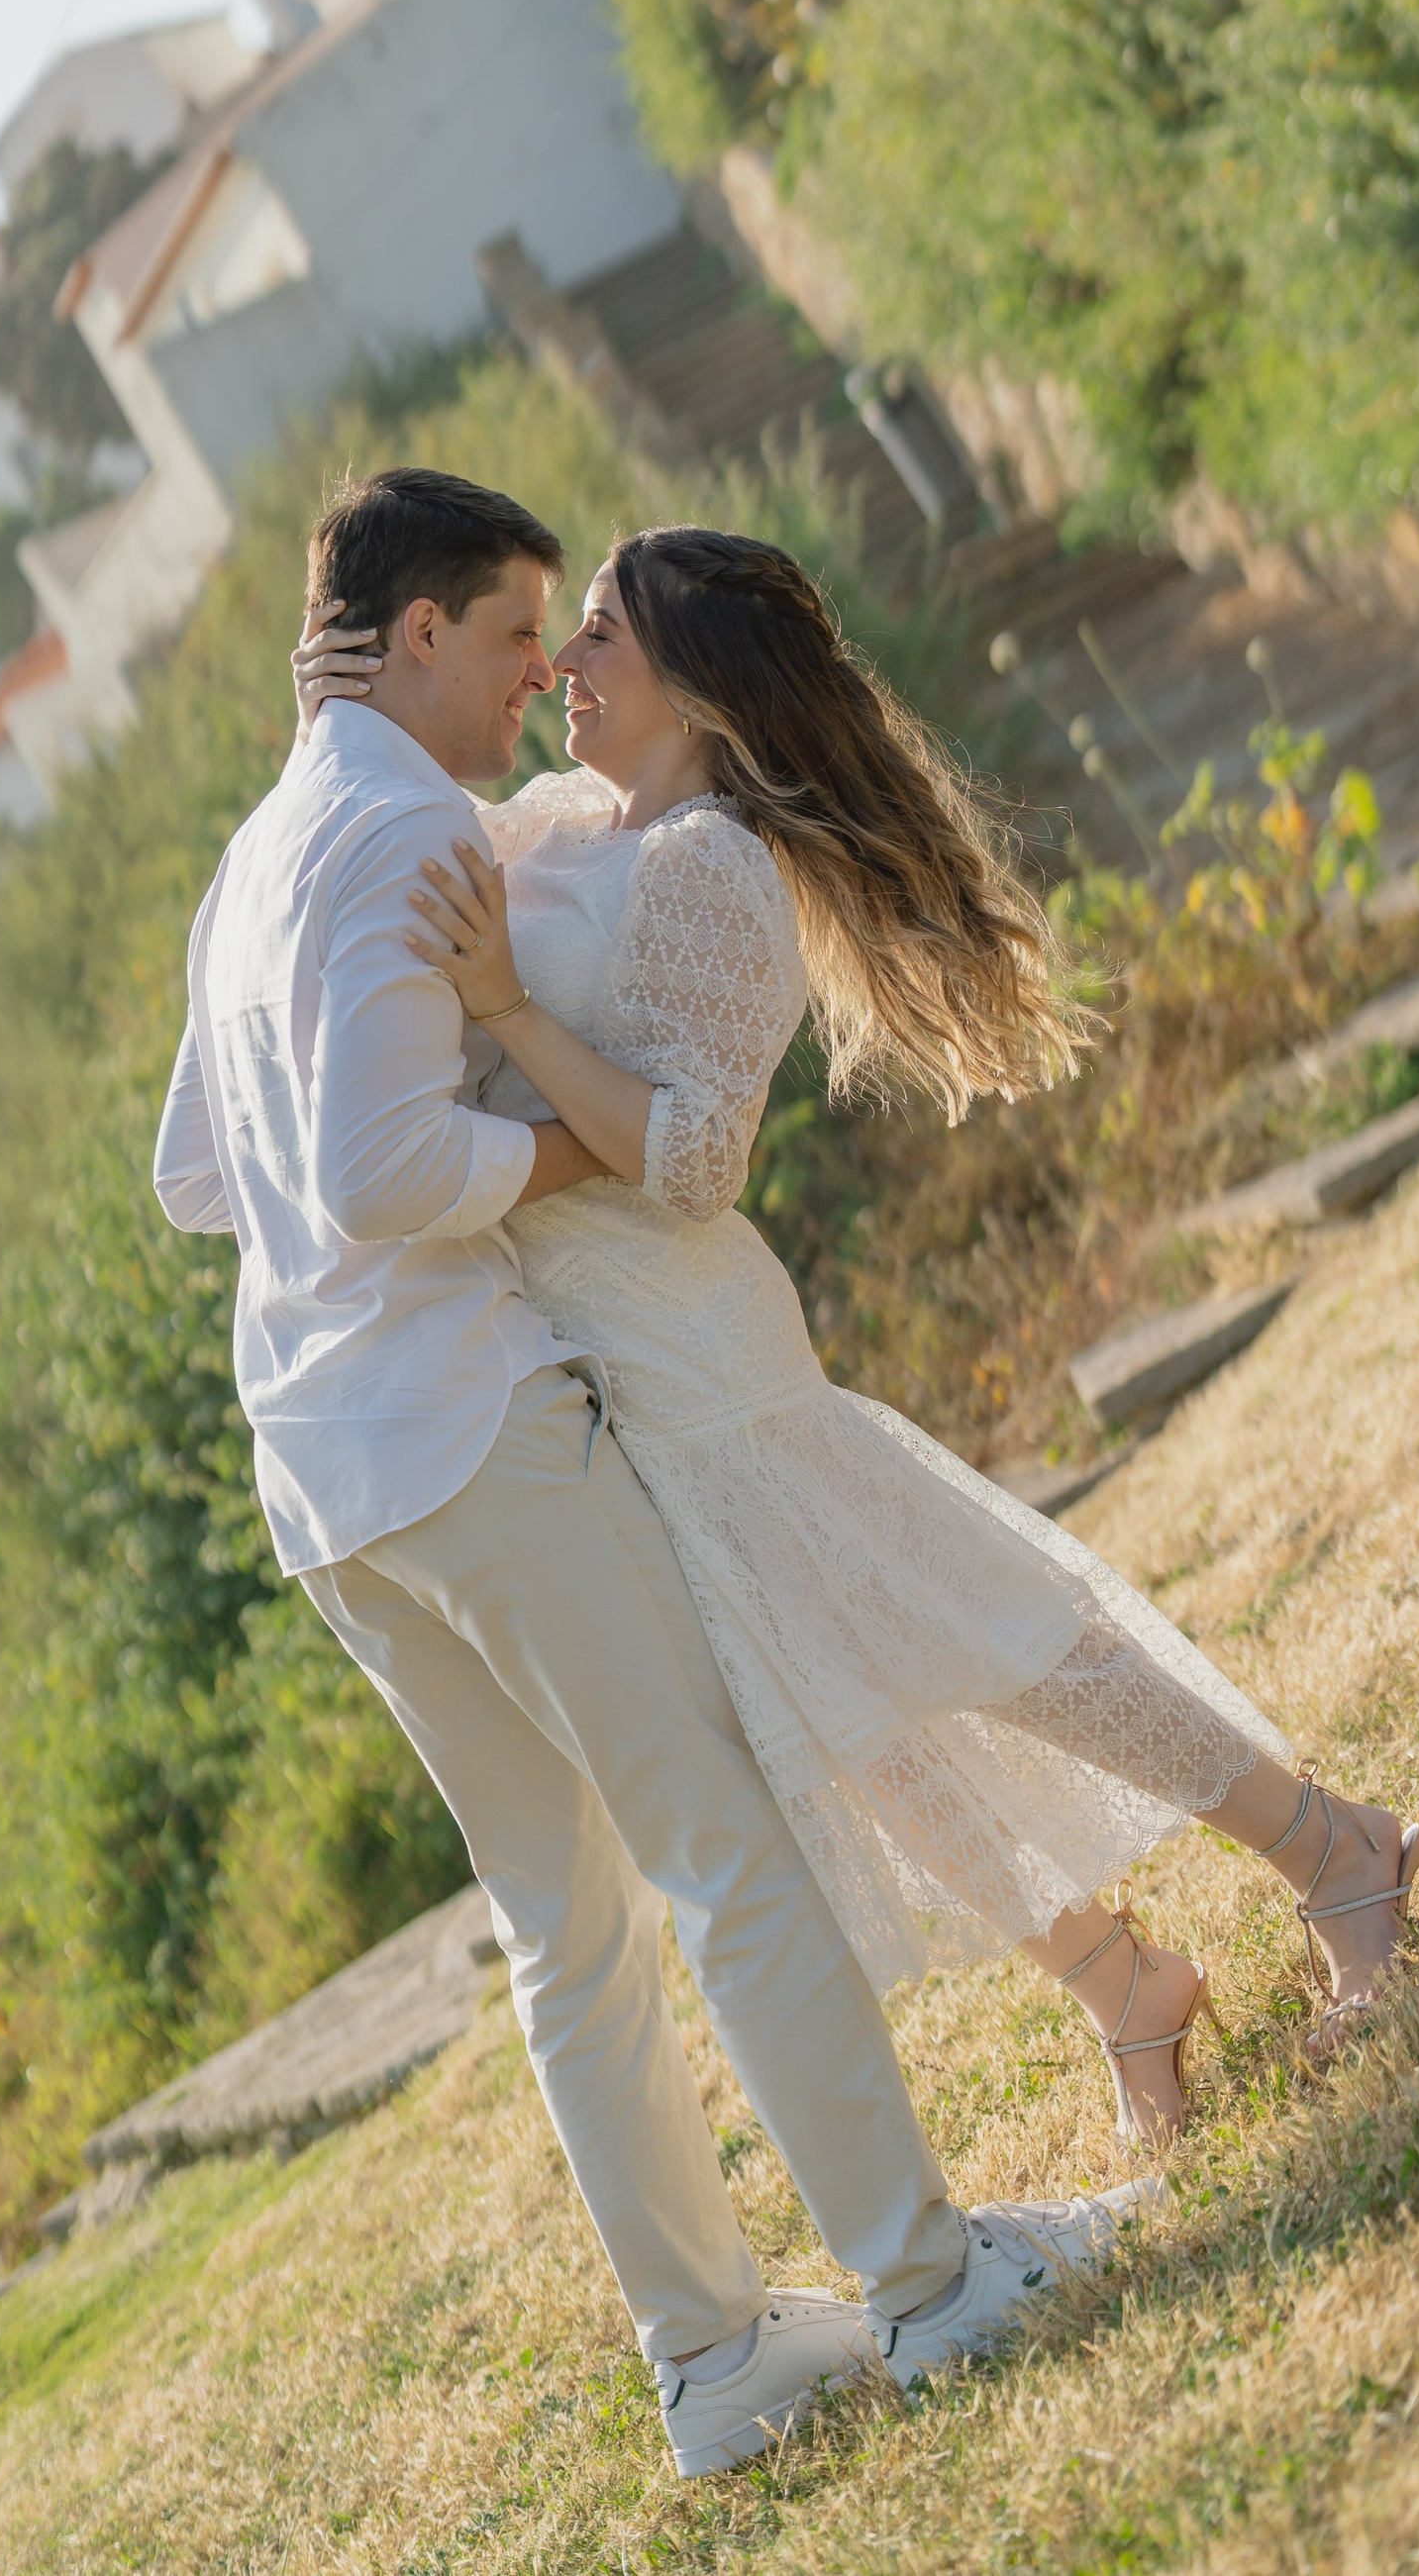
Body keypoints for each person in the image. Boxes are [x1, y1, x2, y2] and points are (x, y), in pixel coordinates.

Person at [154, 469, 1147, 2484]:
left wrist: (395, 1163)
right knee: (717, 1849)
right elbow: (367, 1172)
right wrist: (567, 1150)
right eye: (514, 631)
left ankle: (710, 2364)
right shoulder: (406, 822)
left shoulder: (257, 853)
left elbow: (205, 1174)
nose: (538, 674)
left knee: (564, 1924)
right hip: (470, 1432)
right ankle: (931, 2282)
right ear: (410, 632)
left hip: (328, 1482)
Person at [290, 519, 1419, 2160]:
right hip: (602, 1379)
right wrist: (322, 700)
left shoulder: (712, 865)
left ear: (695, 678)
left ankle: (1339, 1849)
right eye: (563, 638)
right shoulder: (558, 815)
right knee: (847, 1735)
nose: (560, 666)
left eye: (601, 635)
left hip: (703, 1359)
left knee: (996, 1640)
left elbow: (696, 1161)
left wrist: (509, 1015)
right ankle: (1128, 1987)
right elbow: (398, 779)